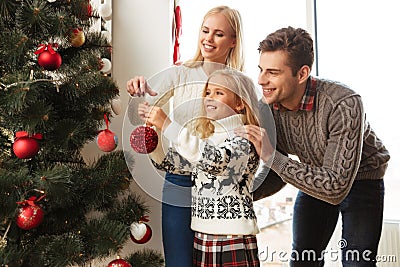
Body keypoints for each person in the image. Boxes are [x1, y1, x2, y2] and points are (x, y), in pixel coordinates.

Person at [235, 26, 390, 266]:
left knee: (357, 261)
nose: (261, 80)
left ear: (302, 73)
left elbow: (335, 186)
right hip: (316, 174)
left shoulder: (344, 103)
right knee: (303, 259)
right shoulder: (267, 107)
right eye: (261, 70)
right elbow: (277, 173)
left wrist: (271, 156)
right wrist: (238, 195)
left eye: (273, 72)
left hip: (362, 178)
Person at [126, 6, 245, 267]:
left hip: (220, 189)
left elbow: (248, 141)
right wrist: (137, 93)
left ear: (233, 41)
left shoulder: (240, 84)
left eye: (218, 34)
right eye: (205, 31)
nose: (208, 39)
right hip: (179, 182)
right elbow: (140, 114)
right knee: (179, 262)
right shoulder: (179, 74)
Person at [141, 69, 261, 267]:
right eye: (207, 92)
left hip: (232, 236)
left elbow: (215, 160)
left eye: (219, 93)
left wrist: (168, 125)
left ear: (239, 103)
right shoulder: (207, 140)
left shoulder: (244, 140)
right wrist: (151, 141)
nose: (209, 98)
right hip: (203, 237)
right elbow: (172, 164)